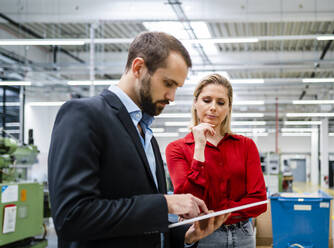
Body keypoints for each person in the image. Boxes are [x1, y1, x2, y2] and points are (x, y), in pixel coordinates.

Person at [48, 32, 229, 248]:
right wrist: (165, 204)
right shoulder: (83, 115)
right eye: (167, 83)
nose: (171, 96)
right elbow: (71, 217)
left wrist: (186, 236)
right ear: (138, 68)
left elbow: (144, 227)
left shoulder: (147, 135)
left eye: (176, 88)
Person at [165, 74, 267, 248]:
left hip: (244, 235)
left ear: (228, 108)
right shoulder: (177, 149)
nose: (213, 107)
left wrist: (212, 211)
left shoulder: (246, 146)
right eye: (206, 100)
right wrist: (199, 147)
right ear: (195, 103)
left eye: (221, 102)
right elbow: (187, 205)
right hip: (203, 235)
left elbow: (258, 201)